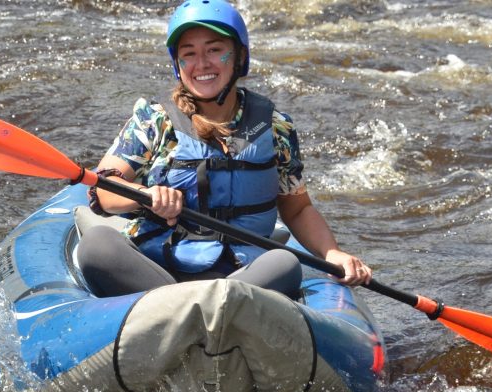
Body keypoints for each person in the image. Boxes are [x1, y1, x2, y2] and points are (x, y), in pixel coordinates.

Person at [77, 0, 372, 298]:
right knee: (96, 244)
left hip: (240, 275)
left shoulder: (275, 127)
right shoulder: (155, 121)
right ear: (177, 64)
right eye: (189, 54)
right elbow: (102, 190)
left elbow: (298, 209)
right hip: (157, 270)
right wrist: (145, 196)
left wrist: (332, 252)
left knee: (284, 262)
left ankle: (205, 311)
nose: (201, 64)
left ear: (239, 56)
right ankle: (184, 310)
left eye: (214, 50)